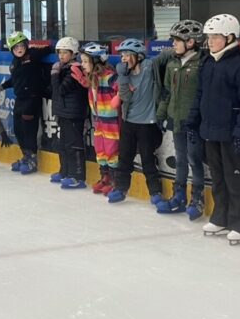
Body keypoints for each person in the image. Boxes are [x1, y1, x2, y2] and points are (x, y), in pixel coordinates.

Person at [183, 14, 240, 244]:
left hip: (231, 133)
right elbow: (200, 95)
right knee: (218, 178)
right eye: (209, 37)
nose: (210, 42)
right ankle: (222, 217)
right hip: (210, 131)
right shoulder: (208, 62)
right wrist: (193, 122)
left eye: (215, 37)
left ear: (230, 37)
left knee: (236, 180)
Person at [154, 19, 208, 221]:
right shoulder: (173, 64)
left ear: (191, 42)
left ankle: (197, 198)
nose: (173, 44)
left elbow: (205, 95)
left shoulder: (202, 64)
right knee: (180, 158)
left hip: (193, 122)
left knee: (194, 159)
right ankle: (179, 196)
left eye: (177, 40)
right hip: (176, 120)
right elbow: (167, 92)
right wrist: (161, 114)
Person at [107, 38, 165, 204]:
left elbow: (166, 56)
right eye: (122, 55)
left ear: (138, 56)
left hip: (148, 123)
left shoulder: (149, 67)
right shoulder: (124, 75)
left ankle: (155, 192)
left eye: (127, 55)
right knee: (124, 157)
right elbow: (125, 97)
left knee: (148, 159)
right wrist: (123, 77)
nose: (123, 59)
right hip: (129, 122)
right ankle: (121, 188)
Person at [1, 32, 50, 175]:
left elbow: (47, 49)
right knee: (18, 129)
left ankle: (32, 159)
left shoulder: (32, 55)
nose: (19, 49)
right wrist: (2, 86)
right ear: (12, 50)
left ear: (26, 46)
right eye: (16, 47)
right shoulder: (14, 63)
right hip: (20, 99)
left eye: (22, 46)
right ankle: (25, 156)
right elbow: (15, 80)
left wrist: (49, 48)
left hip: (32, 99)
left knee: (29, 129)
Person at [79, 42, 119, 195]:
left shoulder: (109, 76)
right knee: (100, 149)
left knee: (111, 150)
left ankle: (115, 181)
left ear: (96, 61)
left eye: (85, 61)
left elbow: (122, 88)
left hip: (111, 122)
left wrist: (120, 96)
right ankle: (105, 177)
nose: (82, 65)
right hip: (99, 120)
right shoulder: (93, 77)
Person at [50, 36, 90, 189]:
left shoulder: (75, 69)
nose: (61, 56)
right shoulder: (64, 68)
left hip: (73, 114)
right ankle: (65, 172)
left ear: (73, 54)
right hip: (64, 113)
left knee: (74, 145)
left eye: (65, 52)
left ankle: (78, 177)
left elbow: (59, 90)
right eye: (59, 53)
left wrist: (55, 74)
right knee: (63, 145)